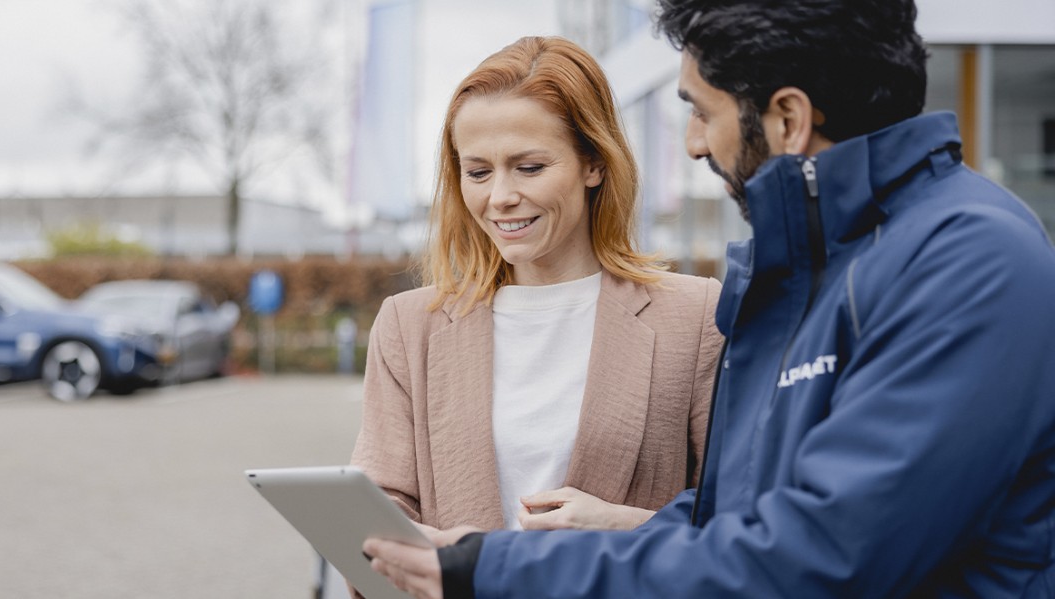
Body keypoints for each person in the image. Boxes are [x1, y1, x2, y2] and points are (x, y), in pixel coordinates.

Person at [363, 0, 1055, 597]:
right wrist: (597, 531)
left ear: (787, 118)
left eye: (701, 111)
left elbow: (817, 556)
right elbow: (741, 510)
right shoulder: (820, 270)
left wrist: (494, 568)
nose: (693, 143)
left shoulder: (970, 263)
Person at [350, 35, 724, 549]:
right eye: (478, 172)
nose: (500, 197)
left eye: (529, 168)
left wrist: (627, 528)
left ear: (594, 163)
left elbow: (738, 518)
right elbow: (378, 512)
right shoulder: (409, 325)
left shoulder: (697, 316)